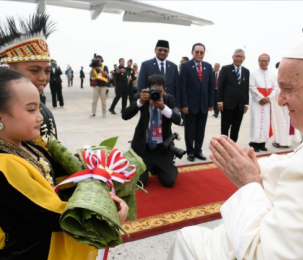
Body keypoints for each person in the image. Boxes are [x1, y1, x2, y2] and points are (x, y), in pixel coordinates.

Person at [168, 32, 303, 260]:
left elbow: (262, 253)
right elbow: (295, 162)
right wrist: (260, 167)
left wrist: (248, 182)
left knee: (188, 238)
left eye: (288, 89)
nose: (281, 100)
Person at [0, 68, 128, 260]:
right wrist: (104, 215)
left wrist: (97, 171)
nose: (40, 117)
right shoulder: (5, 165)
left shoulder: (28, 146)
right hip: (32, 251)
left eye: (39, 107)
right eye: (31, 109)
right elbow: (52, 215)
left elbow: (56, 176)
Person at [0, 13, 58, 151]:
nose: (43, 77)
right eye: (34, 70)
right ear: (8, 71)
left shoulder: (44, 109)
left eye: (47, 71)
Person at [122, 74, 181, 187]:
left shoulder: (169, 99)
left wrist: (162, 107)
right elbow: (125, 116)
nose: (156, 93)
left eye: (159, 90)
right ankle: (150, 167)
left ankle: (159, 166)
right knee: (140, 183)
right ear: (148, 89)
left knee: (169, 182)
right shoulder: (142, 98)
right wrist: (140, 102)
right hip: (143, 148)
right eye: (153, 89)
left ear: (164, 90)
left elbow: (178, 119)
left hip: (161, 148)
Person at [180, 43, 214, 162]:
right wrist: (183, 105)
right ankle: (190, 152)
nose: (199, 54)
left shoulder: (208, 67)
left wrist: (211, 103)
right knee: (189, 130)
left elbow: (210, 86)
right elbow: (182, 86)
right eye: (197, 52)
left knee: (200, 129)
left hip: (203, 105)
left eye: (201, 52)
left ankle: (198, 151)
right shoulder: (185, 66)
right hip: (189, 105)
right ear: (192, 52)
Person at [217, 49, 250, 142]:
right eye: (237, 56)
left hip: (240, 105)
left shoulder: (246, 71)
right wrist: (220, 101)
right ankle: (223, 145)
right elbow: (220, 87)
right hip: (227, 105)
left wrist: (246, 103)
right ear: (233, 57)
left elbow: (246, 88)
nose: (238, 58)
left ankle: (233, 147)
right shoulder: (225, 69)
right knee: (225, 128)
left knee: (236, 128)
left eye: (241, 57)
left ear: (244, 58)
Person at [249, 54, 278, 152]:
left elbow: (275, 87)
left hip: (267, 103)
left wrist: (269, 98)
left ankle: (262, 144)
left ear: (269, 62)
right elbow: (251, 87)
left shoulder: (272, 74)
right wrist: (261, 98)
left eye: (266, 60)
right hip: (257, 102)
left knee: (266, 122)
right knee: (256, 122)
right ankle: (254, 144)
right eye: (262, 60)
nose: (264, 62)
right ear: (258, 61)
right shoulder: (253, 73)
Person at [137, 40, 180, 107]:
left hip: (169, 104)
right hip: (150, 103)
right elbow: (141, 86)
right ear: (155, 50)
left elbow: (177, 87)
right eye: (160, 50)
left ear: (168, 52)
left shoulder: (173, 66)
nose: (162, 52)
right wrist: (141, 101)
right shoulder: (146, 65)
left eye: (165, 50)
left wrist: (177, 105)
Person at [271, 61, 302, 148]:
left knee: (279, 121)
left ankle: (282, 141)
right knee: (288, 119)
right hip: (290, 98)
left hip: (278, 99)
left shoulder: (274, 73)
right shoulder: (290, 73)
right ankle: (287, 141)